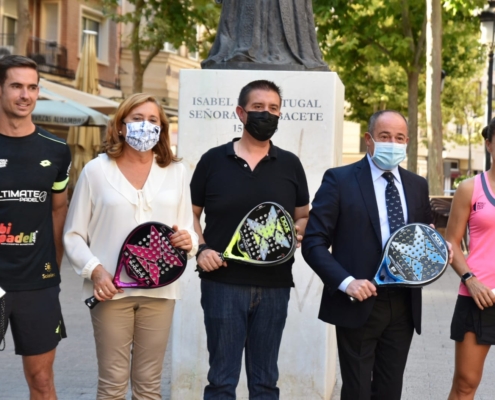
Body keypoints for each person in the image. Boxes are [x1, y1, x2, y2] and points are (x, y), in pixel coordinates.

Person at [302, 110, 452, 400]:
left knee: (389, 389)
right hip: (357, 300)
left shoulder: (417, 185)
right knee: (357, 390)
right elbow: (313, 243)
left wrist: (437, 248)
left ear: (407, 142)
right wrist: (346, 282)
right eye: (384, 136)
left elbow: (420, 237)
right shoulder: (339, 180)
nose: (392, 143)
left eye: (399, 138)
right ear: (368, 140)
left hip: (404, 303)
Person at [63, 93, 198, 399]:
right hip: (111, 292)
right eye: (137, 119)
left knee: (149, 386)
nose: (145, 126)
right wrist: (95, 272)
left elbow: (186, 228)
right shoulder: (96, 171)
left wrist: (187, 240)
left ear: (162, 128)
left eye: (153, 120)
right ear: (121, 126)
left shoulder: (177, 172)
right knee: (112, 384)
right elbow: (73, 234)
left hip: (161, 292)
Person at [190, 80, 309, 399]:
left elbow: (302, 214)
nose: (266, 114)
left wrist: (298, 230)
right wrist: (201, 249)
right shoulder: (212, 161)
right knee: (221, 381)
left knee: (265, 382)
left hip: (275, 286)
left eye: (273, 109)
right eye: (258, 108)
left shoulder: (290, 164)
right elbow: (189, 214)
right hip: (222, 284)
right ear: (241, 113)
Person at [0, 55, 71, 399]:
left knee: (41, 381)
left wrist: (53, 270)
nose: (25, 94)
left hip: (37, 285)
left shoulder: (56, 150)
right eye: (16, 85)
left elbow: (59, 211)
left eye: (32, 86)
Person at [446, 121, 495, 400]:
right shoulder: (469, 188)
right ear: (489, 144)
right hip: (478, 297)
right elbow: (452, 241)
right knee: (465, 384)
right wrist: (470, 279)